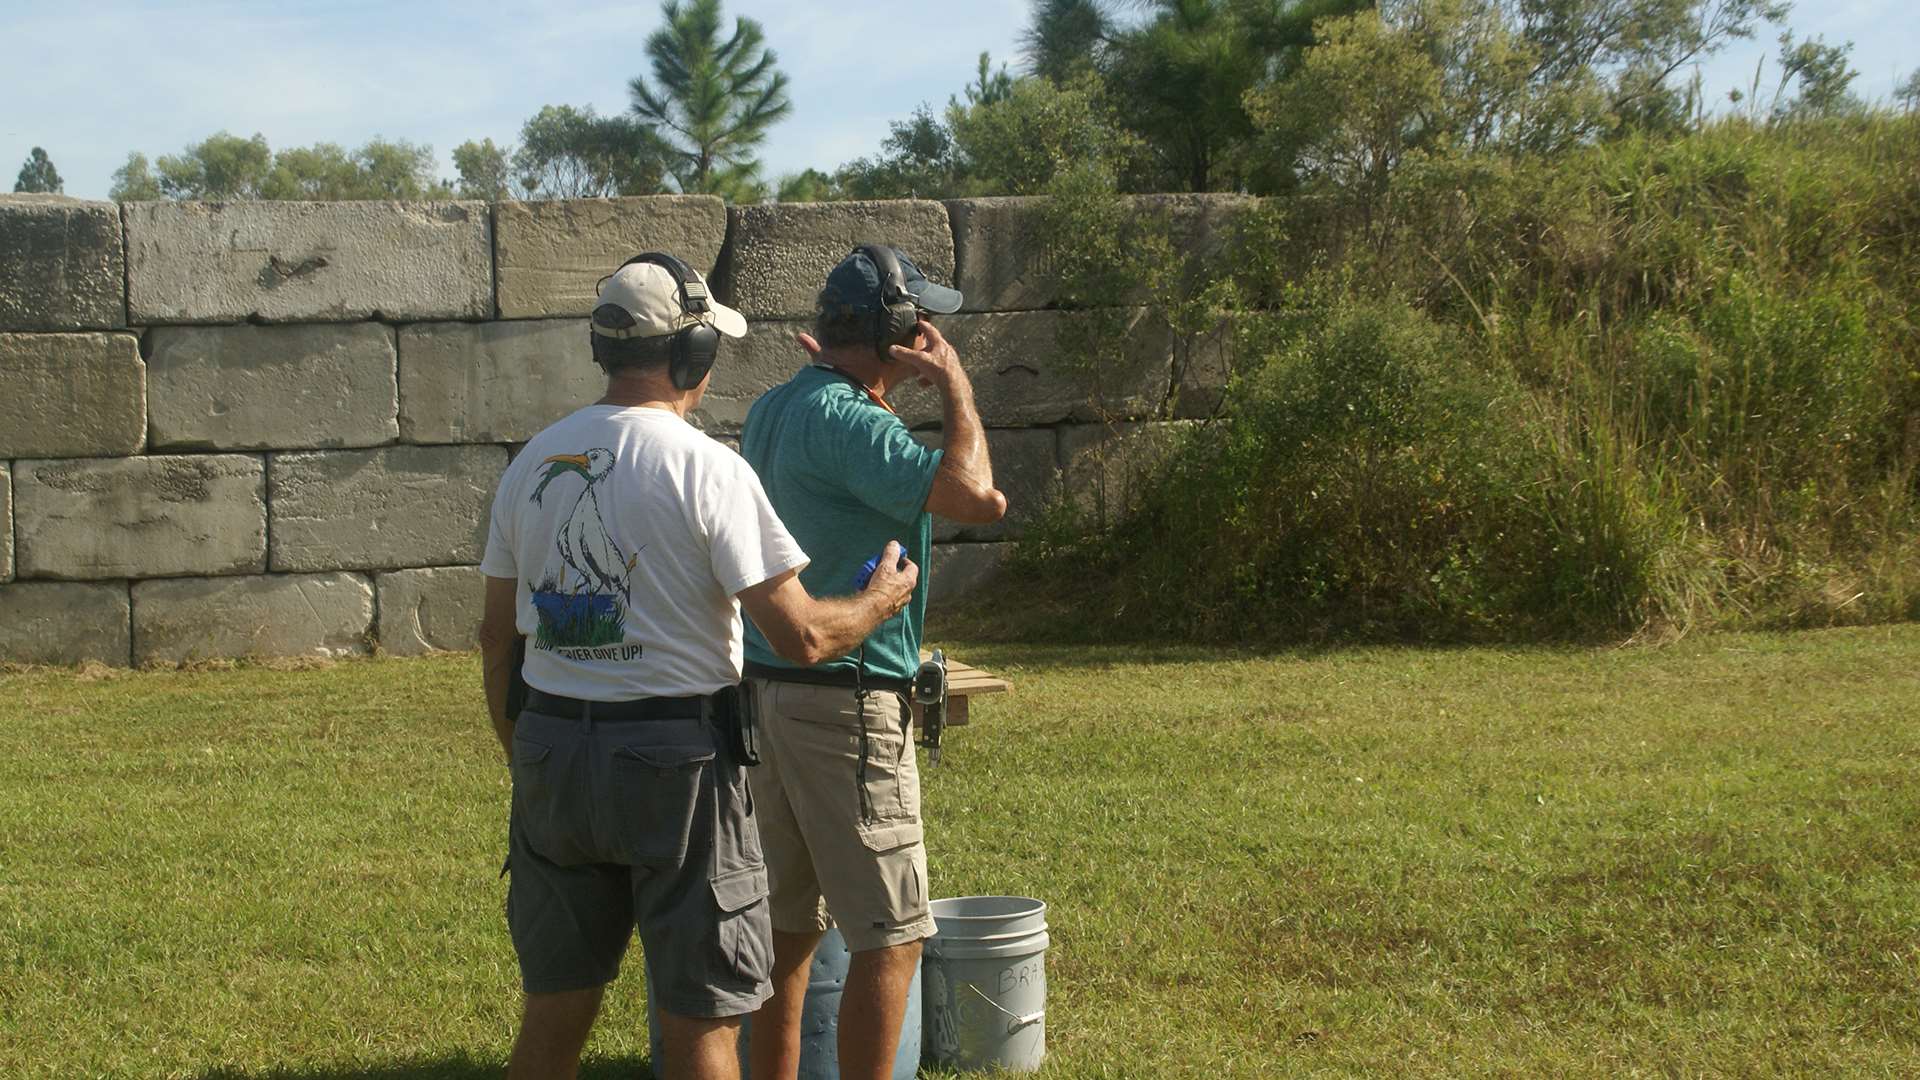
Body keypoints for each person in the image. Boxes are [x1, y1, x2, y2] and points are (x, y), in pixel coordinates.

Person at [475, 252, 920, 1080]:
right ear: (692, 358)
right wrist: (883, 601)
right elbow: (805, 638)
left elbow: (499, 639)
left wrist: (523, 754)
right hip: (676, 763)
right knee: (704, 1026)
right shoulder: (708, 467)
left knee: (552, 1019)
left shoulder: (532, 463)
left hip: (550, 752)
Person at [738, 245, 1006, 1080]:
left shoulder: (777, 407)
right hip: (844, 704)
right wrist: (955, 385)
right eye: (921, 322)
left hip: (769, 695)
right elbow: (977, 497)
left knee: (786, 933)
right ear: (898, 333)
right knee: (893, 937)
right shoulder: (854, 420)